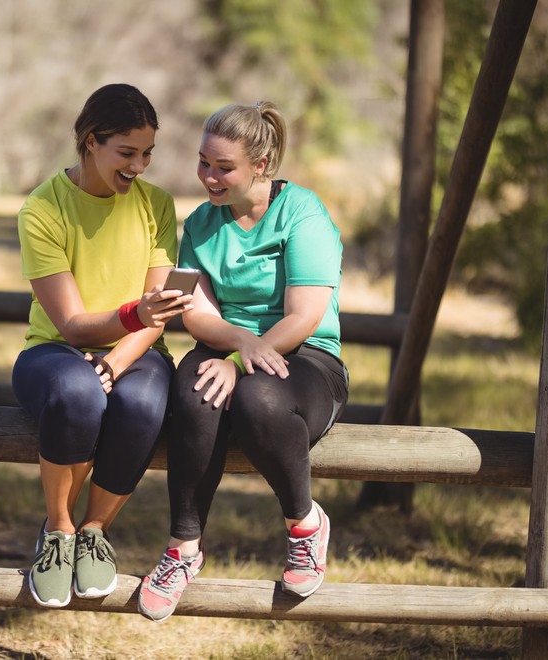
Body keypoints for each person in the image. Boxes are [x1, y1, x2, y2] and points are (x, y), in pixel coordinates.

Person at [137, 100, 349, 622]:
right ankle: (183, 550)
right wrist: (234, 346)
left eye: (223, 167)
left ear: (261, 166)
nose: (208, 176)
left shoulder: (303, 213)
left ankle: (305, 525)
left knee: (258, 397)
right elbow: (198, 314)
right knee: (190, 393)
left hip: (306, 358)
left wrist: (243, 358)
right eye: (204, 162)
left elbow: (303, 315)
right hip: (224, 347)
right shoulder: (201, 225)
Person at [12, 83, 193, 609]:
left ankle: (95, 530)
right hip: (55, 350)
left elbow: (156, 317)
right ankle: (59, 531)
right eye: (128, 153)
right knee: (76, 393)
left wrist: (114, 364)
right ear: (91, 141)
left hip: (136, 350)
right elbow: (70, 324)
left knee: (142, 401)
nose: (140, 166)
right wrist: (131, 320)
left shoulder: (157, 205)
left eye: (148, 154)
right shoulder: (43, 209)